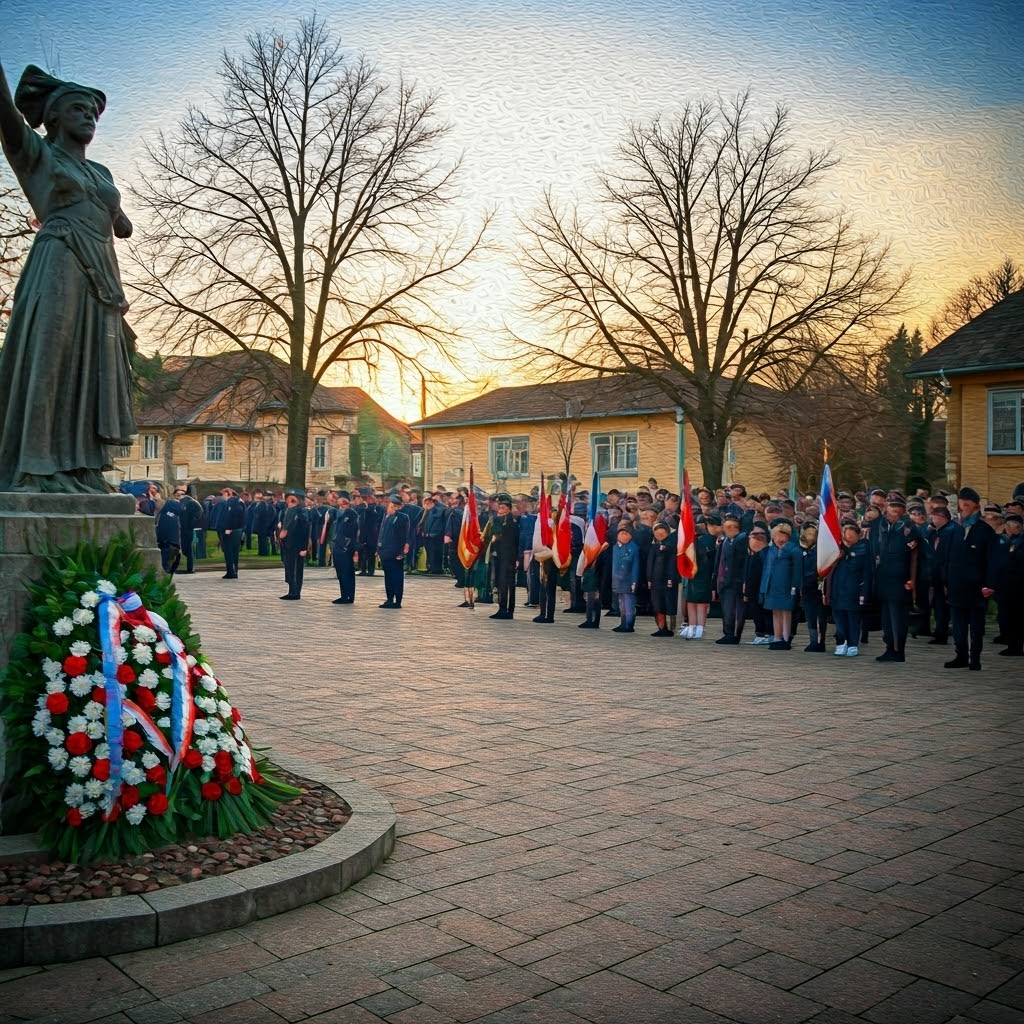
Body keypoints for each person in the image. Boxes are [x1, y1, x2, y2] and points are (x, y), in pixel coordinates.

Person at [0, 63, 136, 493]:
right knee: (52, 360)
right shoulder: (38, 154)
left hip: (102, 274)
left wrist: (114, 212)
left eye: (93, 113)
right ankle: (38, 467)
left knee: (91, 366)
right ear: (54, 118)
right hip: (59, 259)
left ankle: (80, 468)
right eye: (78, 109)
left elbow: (121, 226)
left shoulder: (101, 173)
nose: (88, 117)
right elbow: (5, 111)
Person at [943, 486, 998, 671]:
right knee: (958, 625)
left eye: (967, 505)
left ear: (976, 507)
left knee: (976, 627)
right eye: (961, 505)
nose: (963, 509)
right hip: (956, 585)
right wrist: (946, 581)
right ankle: (960, 655)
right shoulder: (954, 529)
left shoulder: (985, 531)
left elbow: (992, 560)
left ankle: (975, 658)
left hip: (977, 587)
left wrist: (989, 584)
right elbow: (947, 557)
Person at [826, 521, 870, 656]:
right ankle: (840, 642)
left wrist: (864, 592)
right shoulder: (838, 551)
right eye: (846, 535)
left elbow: (867, 574)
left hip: (853, 591)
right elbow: (828, 572)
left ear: (858, 535)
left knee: (853, 619)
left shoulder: (863, 551)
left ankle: (852, 644)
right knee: (839, 618)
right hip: (837, 591)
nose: (848, 538)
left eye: (851, 535)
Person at [759, 522, 802, 650]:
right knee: (775, 611)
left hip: (786, 586)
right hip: (772, 585)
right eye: (776, 535)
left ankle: (785, 637)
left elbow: (797, 571)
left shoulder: (794, 550)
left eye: (782, 536)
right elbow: (766, 569)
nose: (779, 539)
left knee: (786, 612)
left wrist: (795, 587)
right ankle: (777, 637)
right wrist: (763, 587)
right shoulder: (771, 550)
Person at [488, 496, 520, 620]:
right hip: (501, 555)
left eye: (504, 507)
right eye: (500, 507)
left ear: (509, 509)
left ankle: (506, 610)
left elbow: (502, 536)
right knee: (502, 583)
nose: (501, 509)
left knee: (507, 583)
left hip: (508, 555)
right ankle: (504, 608)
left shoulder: (510, 520)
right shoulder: (500, 519)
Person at [377, 494, 410, 608]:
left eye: (396, 505)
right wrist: (378, 549)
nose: (393, 507)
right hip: (384, 551)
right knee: (388, 577)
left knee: (397, 577)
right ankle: (389, 599)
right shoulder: (384, 516)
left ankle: (398, 601)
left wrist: (401, 552)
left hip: (395, 552)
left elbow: (404, 536)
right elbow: (381, 533)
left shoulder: (402, 517)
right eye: (392, 504)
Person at [646, 521, 678, 636]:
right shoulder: (653, 547)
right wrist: (649, 579)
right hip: (655, 581)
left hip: (667, 581)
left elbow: (672, 564)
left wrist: (671, 578)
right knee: (657, 604)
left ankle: (670, 628)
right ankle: (661, 627)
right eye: (657, 533)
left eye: (662, 533)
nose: (659, 535)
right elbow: (650, 564)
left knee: (668, 604)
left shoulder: (671, 547)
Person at [329, 490, 360, 604]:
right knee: (340, 573)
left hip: (346, 547)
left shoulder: (352, 514)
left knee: (347, 572)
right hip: (337, 546)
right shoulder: (337, 513)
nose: (342, 505)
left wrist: (350, 546)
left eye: (345, 503)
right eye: (340, 503)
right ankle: (343, 595)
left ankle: (349, 596)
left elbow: (355, 532)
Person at [278, 488, 310, 600]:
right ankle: (291, 590)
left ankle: (295, 592)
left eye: (293, 499)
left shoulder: (302, 512)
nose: (290, 502)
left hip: (297, 545)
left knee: (296, 570)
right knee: (289, 569)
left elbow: (305, 531)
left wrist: (304, 548)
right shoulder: (287, 511)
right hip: (288, 545)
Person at [611, 522, 640, 633]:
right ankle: (623, 623)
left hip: (628, 580)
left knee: (629, 604)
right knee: (621, 604)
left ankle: (629, 624)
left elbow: (635, 567)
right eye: (621, 533)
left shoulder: (634, 549)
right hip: (617, 580)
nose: (623, 536)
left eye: (626, 534)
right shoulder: (615, 548)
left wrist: (634, 581)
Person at [216, 485, 246, 579]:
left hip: (231, 531)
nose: (222, 496)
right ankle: (232, 571)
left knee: (230, 552)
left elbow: (235, 517)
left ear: (228, 493)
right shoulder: (233, 502)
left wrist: (230, 528)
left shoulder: (234, 502)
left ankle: (231, 572)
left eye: (224, 494)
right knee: (232, 552)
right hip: (232, 530)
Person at [176, 486, 205, 574]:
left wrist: (191, 524)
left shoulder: (187, 503)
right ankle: (189, 567)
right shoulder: (191, 502)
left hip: (186, 528)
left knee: (187, 548)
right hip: (187, 528)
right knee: (187, 548)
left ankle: (189, 567)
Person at [154, 494, 182, 576]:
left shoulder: (163, 515)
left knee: (165, 564)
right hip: (174, 543)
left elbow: (160, 529)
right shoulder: (175, 516)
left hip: (164, 543)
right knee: (169, 564)